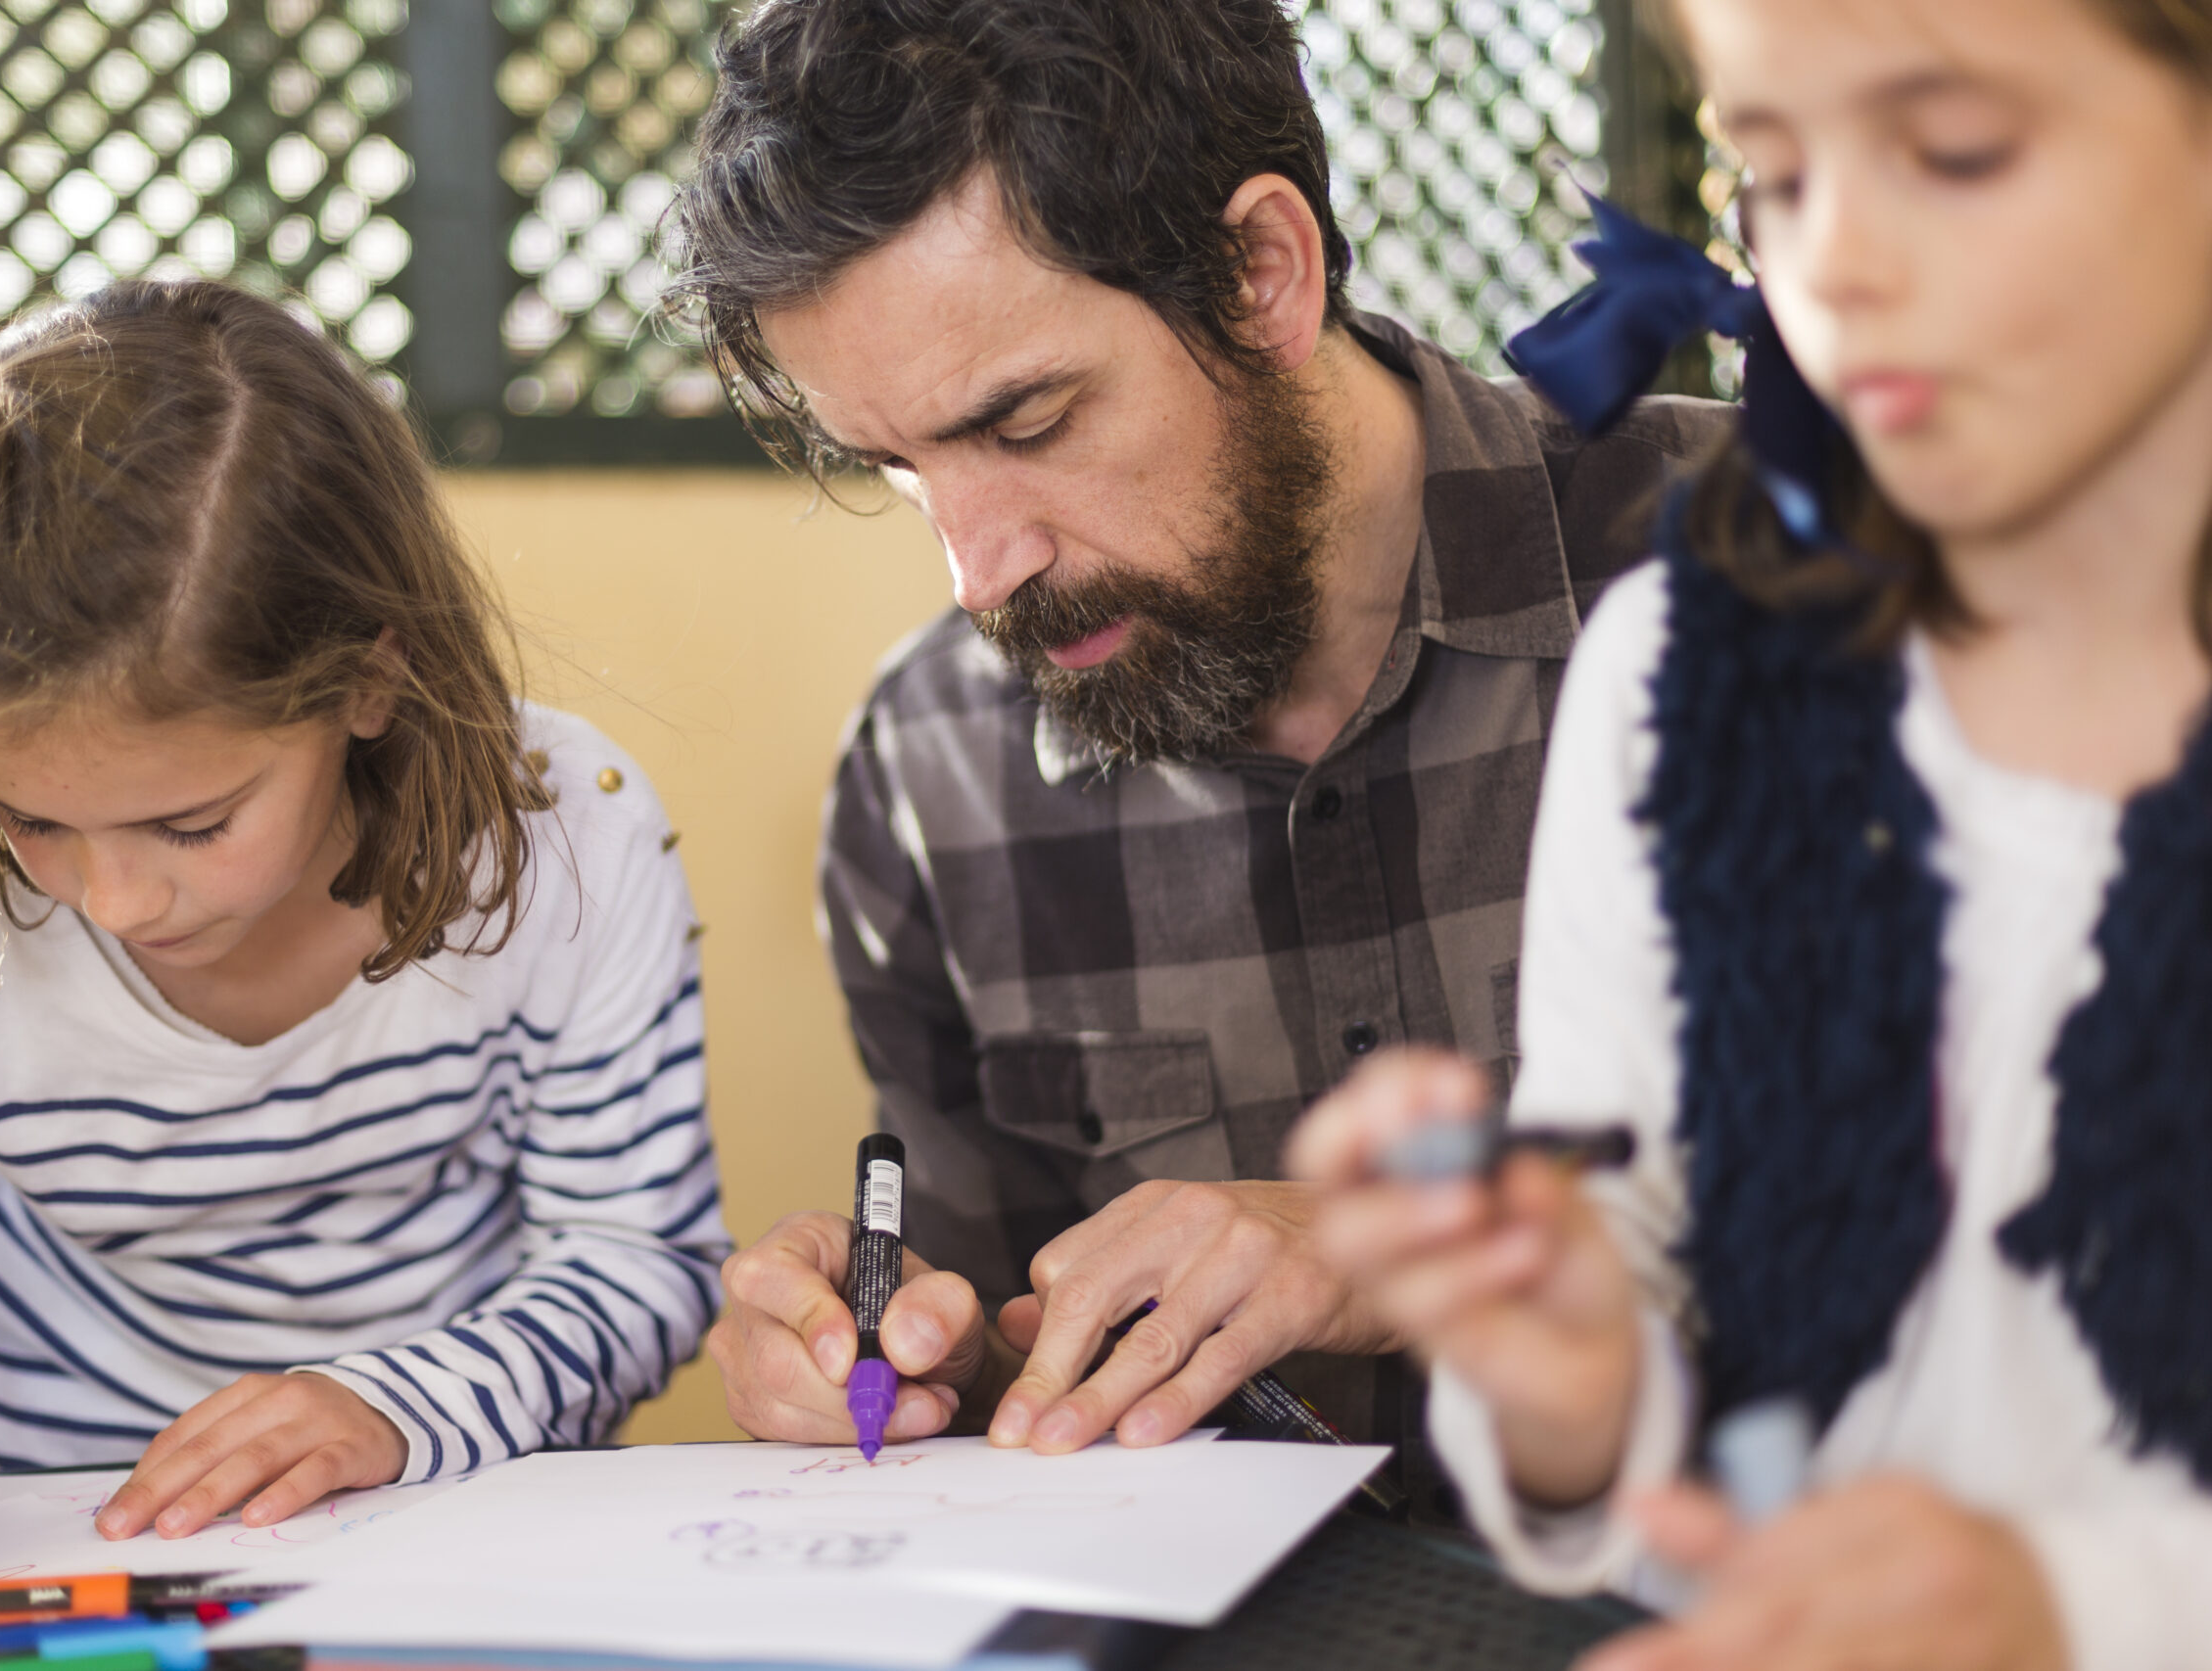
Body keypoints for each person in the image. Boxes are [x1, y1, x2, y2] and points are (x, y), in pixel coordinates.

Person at [668, 0, 1725, 1510]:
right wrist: (907, 1358)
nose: (979, 573)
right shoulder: (929, 776)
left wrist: (1418, 1248)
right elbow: (999, 1337)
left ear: (1261, 276)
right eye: (898, 469)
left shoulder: (1779, 577)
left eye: (1027, 420)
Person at [1288, 0, 2212, 1664]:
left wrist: (2080, 1615)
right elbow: (1636, 1281)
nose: (1834, 261)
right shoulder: (1684, 691)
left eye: (1954, 150)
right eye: (1772, 172)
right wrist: (1569, 1364)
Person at [0, 281, 725, 1601]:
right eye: (33, 818)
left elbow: (638, 1256)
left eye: (191, 826)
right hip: (73, 1555)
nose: (116, 902)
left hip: (470, 1526)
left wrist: (399, 1409)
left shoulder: (565, 838)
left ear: (372, 679)